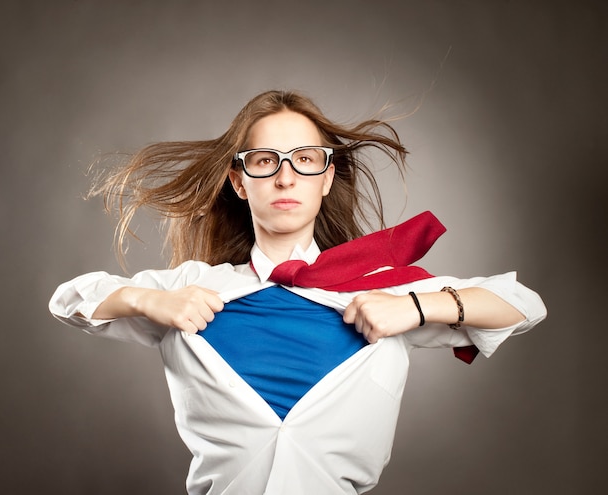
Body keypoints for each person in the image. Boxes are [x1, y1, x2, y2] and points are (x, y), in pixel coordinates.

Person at [49, 90, 547, 494]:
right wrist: (148, 299)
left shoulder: (383, 292)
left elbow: (524, 305)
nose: (285, 176)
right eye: (265, 160)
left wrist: (414, 308)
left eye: (305, 159)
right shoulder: (191, 288)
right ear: (239, 182)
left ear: (327, 177)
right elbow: (69, 299)